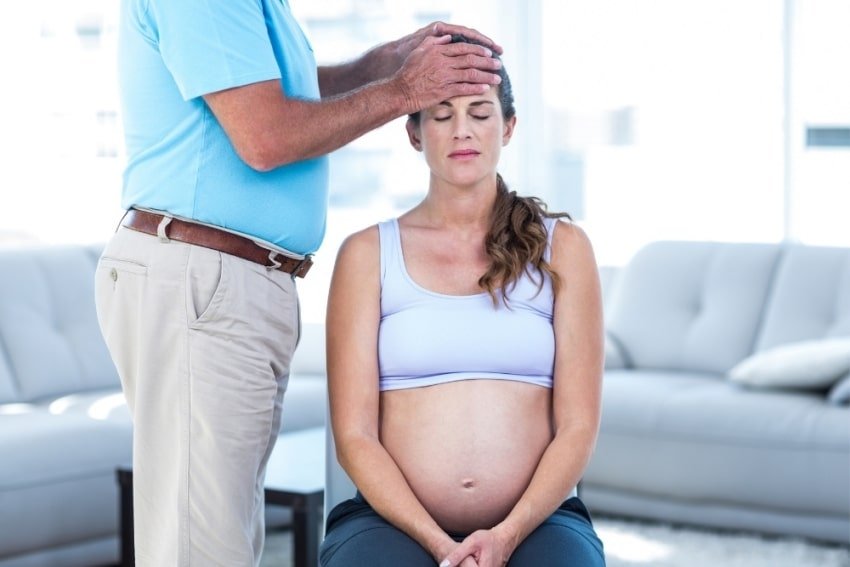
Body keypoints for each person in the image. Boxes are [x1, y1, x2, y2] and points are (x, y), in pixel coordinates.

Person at [94, 1, 504, 565]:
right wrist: (404, 91)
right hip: (201, 273)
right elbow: (264, 136)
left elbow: (275, 94)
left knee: (221, 535)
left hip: (227, 278)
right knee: (201, 547)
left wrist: (390, 62)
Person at [320, 35, 607, 567]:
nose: (462, 131)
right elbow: (354, 435)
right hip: (390, 522)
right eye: (441, 115)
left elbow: (578, 425)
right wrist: (439, 546)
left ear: (509, 126)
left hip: (539, 521)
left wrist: (507, 534)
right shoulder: (366, 254)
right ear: (413, 132)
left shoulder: (563, 248)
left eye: (479, 112)